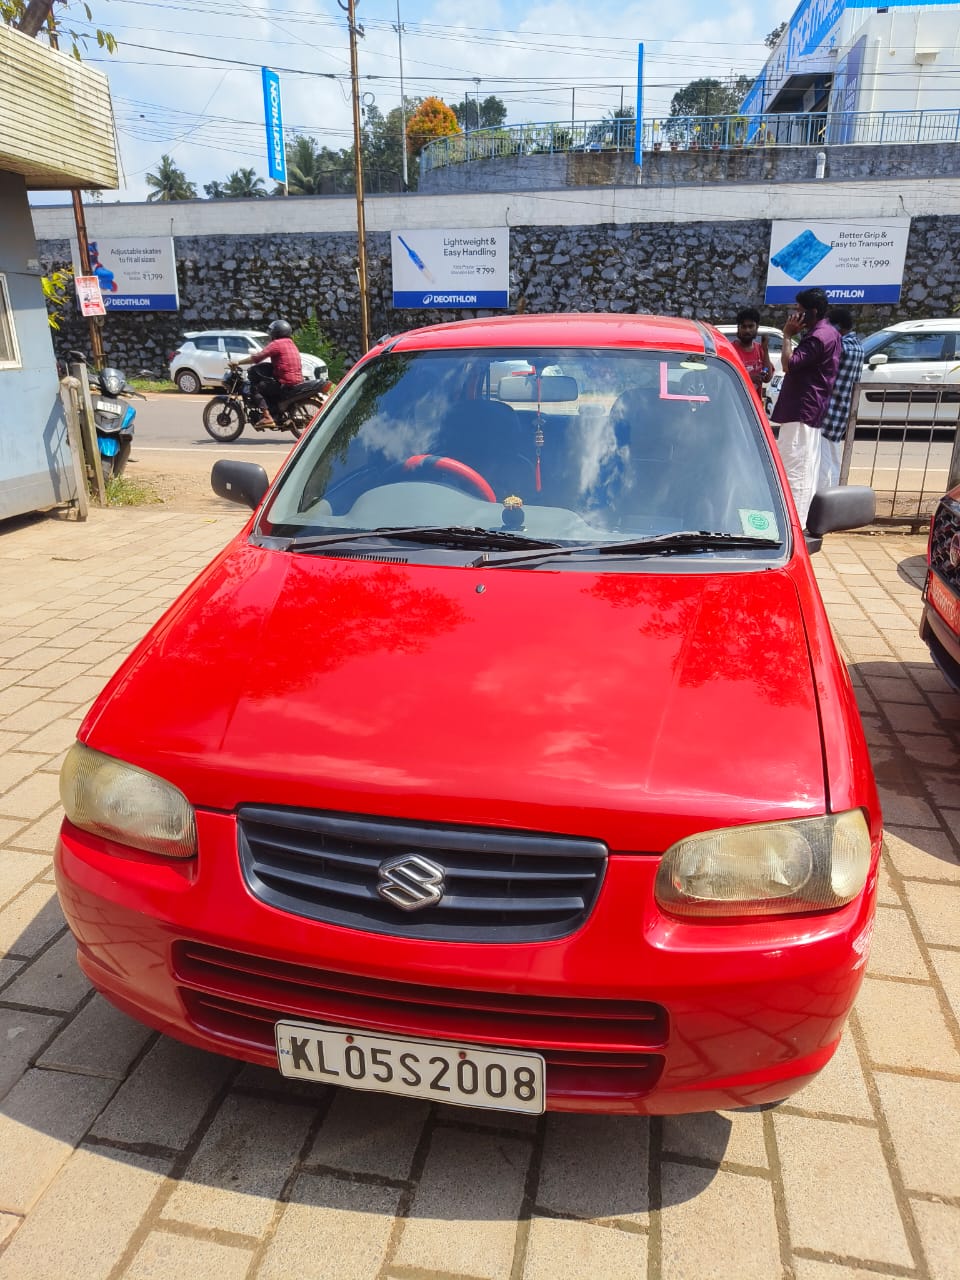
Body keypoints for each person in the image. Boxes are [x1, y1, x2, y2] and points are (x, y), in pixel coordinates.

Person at [770, 287, 841, 528]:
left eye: (799, 311)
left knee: (794, 466)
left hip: (801, 409)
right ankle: (800, 519)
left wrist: (788, 335)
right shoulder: (829, 333)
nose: (795, 315)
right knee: (805, 465)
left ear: (812, 312)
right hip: (810, 408)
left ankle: (793, 523)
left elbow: (789, 364)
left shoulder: (817, 337)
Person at [817, 308, 865, 493]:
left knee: (823, 461)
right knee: (834, 458)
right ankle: (835, 494)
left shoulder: (840, 347)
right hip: (843, 410)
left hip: (828, 410)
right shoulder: (858, 347)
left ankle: (822, 497)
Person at [230, 319, 302, 426]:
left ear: (276, 333)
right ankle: (275, 411)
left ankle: (267, 417)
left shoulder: (276, 344)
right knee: (268, 385)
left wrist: (238, 362)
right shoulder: (290, 343)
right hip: (297, 380)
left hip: (284, 381)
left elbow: (258, 357)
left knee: (255, 388)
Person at [730, 307, 774, 396]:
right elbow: (726, 379)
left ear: (757, 327)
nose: (747, 330)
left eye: (750, 326)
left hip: (753, 406)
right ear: (738, 328)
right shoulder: (730, 350)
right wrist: (749, 378)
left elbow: (767, 378)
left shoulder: (760, 349)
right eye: (744, 327)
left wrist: (765, 350)